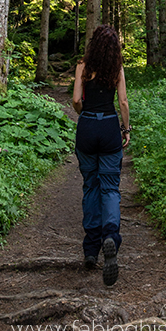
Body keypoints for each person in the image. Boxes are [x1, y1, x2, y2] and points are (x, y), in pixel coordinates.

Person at [72, 24, 131, 286]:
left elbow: (75, 100)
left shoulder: (83, 66)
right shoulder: (116, 69)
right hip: (109, 128)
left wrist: (85, 114)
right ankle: (110, 237)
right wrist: (125, 129)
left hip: (87, 128)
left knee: (90, 186)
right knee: (110, 188)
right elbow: (123, 103)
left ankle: (90, 250)